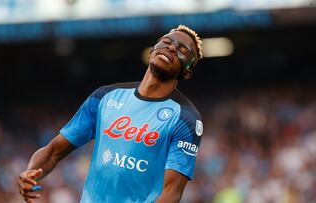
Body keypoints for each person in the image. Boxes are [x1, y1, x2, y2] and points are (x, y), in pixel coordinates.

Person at [18, 24, 204, 203]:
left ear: (187, 72)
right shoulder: (105, 97)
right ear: (152, 49)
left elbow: (172, 193)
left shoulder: (185, 118)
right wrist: (31, 172)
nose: (171, 48)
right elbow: (53, 152)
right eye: (166, 41)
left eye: (182, 50)